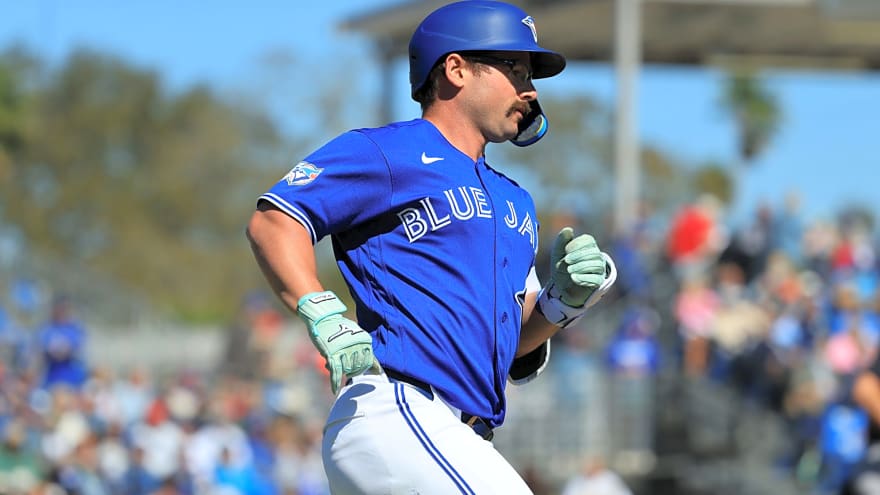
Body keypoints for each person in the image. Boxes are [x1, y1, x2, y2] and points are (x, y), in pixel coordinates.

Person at [246, 2, 617, 493]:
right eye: (515, 68)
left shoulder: (517, 201)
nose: (530, 90)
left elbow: (512, 344)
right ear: (456, 68)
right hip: (398, 410)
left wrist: (560, 303)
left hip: (460, 437)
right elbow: (275, 220)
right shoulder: (386, 151)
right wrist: (322, 311)